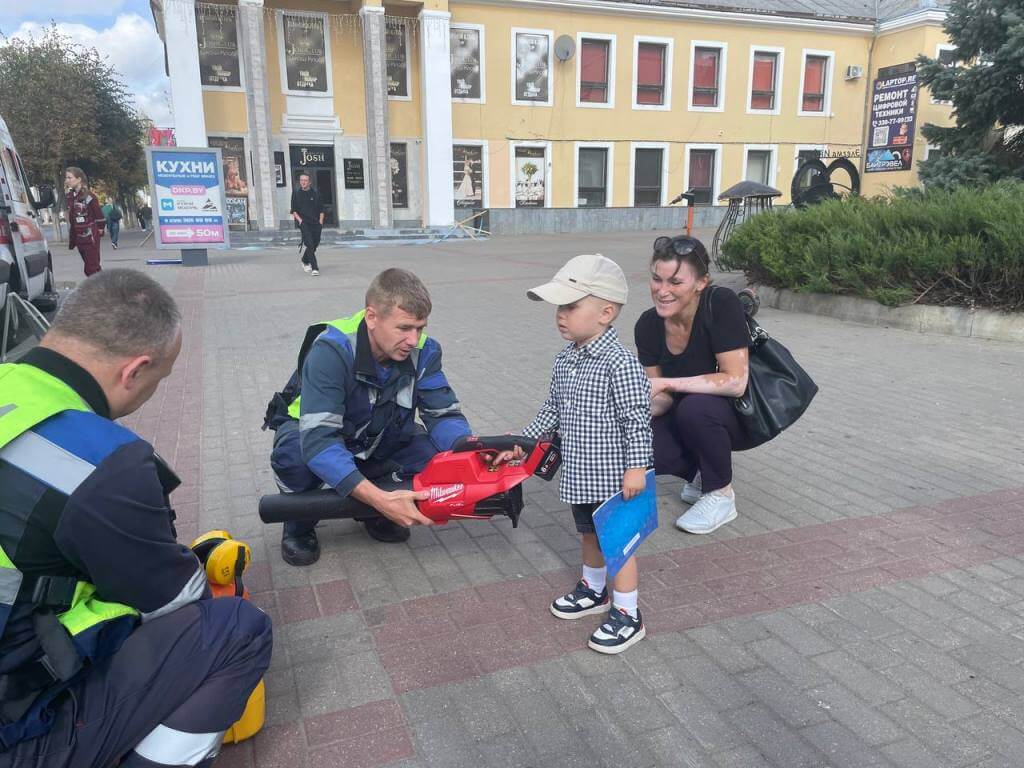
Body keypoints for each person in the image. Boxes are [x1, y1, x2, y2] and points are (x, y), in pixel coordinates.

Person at [0, 270, 272, 767]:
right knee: (235, 629)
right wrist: (187, 563)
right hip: (16, 732)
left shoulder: (9, 382)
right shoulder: (100, 461)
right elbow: (176, 602)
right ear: (135, 371)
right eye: (160, 379)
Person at [265, 268, 472, 566]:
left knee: (436, 458)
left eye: (420, 327)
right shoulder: (331, 350)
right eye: (404, 328)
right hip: (317, 437)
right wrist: (379, 497)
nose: (414, 339)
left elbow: (442, 414)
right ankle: (299, 521)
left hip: (376, 434)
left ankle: (372, 514)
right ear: (372, 317)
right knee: (294, 458)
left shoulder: (425, 350)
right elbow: (320, 442)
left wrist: (471, 447)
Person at [517, 254, 653, 654]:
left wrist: (636, 467)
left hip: (615, 480)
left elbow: (637, 419)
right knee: (588, 535)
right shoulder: (566, 360)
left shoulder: (621, 363)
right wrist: (523, 441)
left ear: (605, 313)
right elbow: (552, 409)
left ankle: (628, 613)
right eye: (559, 307)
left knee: (619, 545)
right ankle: (594, 591)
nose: (560, 315)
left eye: (571, 306)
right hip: (581, 474)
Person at [634, 235, 754, 535]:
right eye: (656, 279)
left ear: (701, 283)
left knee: (696, 408)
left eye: (675, 282)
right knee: (640, 444)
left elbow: (736, 382)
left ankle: (721, 494)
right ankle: (700, 473)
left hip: (733, 414)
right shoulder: (648, 325)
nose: (662, 291)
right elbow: (661, 398)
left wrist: (667, 382)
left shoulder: (721, 303)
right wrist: (624, 416)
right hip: (686, 412)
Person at [63, 167, 105, 276]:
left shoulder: (89, 196)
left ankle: (99, 290)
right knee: (90, 268)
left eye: (69, 177)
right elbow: (72, 219)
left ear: (79, 179)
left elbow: (99, 216)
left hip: (90, 237)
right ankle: (100, 288)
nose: (67, 180)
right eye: (66, 178)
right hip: (79, 238)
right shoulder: (70, 196)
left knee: (91, 268)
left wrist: (99, 230)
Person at [290, 173, 323, 276]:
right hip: (304, 223)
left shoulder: (316, 193)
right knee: (309, 243)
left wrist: (320, 223)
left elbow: (321, 209)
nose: (303, 182)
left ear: (309, 182)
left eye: (305, 180)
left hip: (316, 223)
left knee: (315, 244)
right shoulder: (296, 193)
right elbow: (294, 210)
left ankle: (304, 260)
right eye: (301, 180)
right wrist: (300, 221)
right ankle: (315, 268)